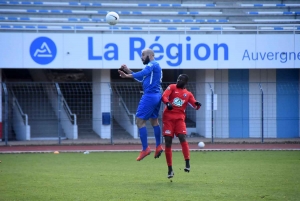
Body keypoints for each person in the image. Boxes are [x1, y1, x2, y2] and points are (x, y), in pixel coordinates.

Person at [118, 48, 164, 161]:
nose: (141, 57)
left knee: (139, 121)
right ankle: (158, 146)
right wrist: (128, 71)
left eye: (143, 55)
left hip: (150, 96)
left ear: (151, 55)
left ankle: (145, 148)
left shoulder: (153, 64)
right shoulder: (153, 68)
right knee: (154, 121)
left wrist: (127, 76)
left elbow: (143, 73)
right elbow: (141, 79)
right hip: (156, 95)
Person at [161, 74, 201, 179]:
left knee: (182, 137)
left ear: (185, 82)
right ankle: (170, 169)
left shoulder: (188, 94)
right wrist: (167, 103)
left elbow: (194, 105)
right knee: (168, 142)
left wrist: (197, 104)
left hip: (179, 119)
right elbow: (164, 96)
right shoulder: (172, 87)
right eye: (178, 79)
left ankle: (187, 162)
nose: (178, 80)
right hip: (168, 119)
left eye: (181, 79)